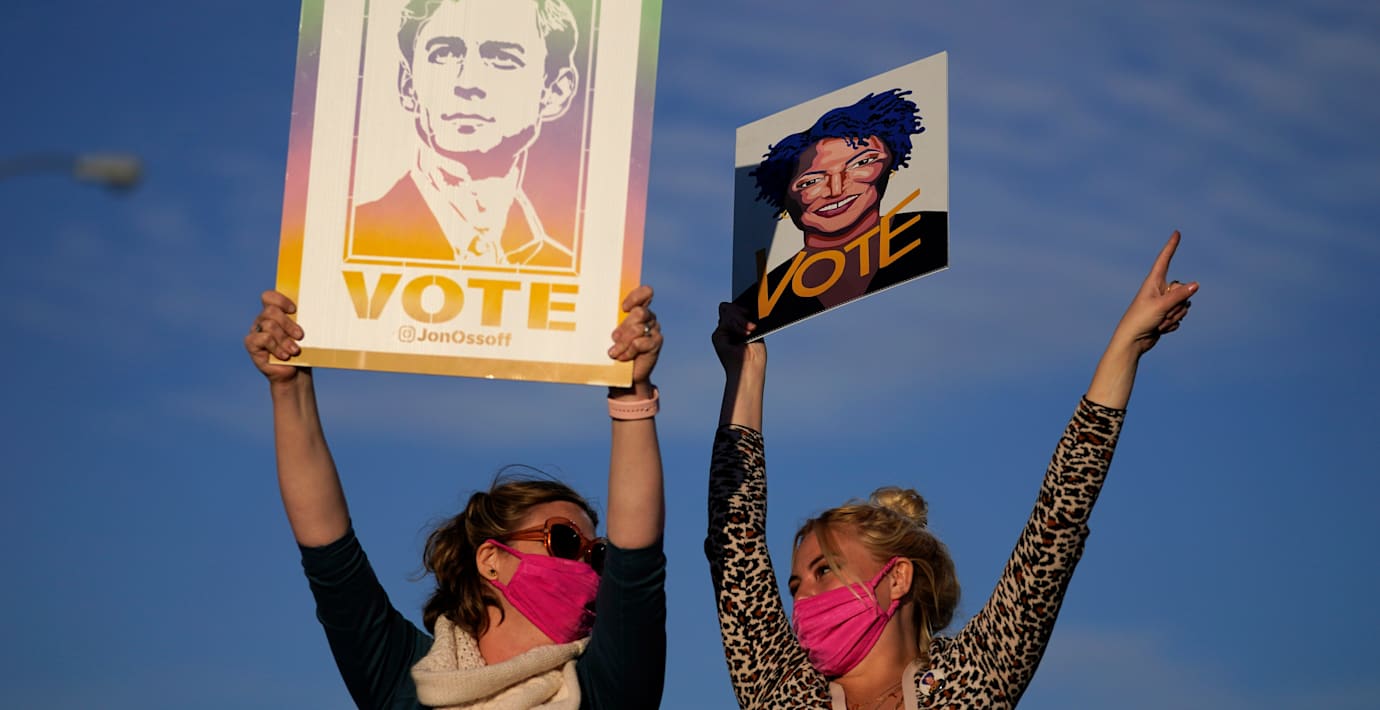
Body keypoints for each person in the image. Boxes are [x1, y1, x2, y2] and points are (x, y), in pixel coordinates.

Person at [709, 233, 1198, 709]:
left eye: (824, 571)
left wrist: (1125, 345)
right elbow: (735, 544)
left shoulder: (973, 679)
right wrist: (745, 372)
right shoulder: (780, 691)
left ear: (896, 579)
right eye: (796, 586)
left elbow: (1056, 525)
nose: (805, 599)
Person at [245, 285, 667, 709]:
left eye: (598, 556)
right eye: (565, 541)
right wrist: (288, 387)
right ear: (491, 559)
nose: (585, 566)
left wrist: (631, 389)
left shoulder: (605, 688)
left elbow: (637, 563)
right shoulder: (406, 680)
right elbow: (330, 556)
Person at [350, 0, 581, 270]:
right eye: (444, 54)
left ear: (555, 92)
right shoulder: (349, 242)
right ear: (407, 84)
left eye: (502, 59)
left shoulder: (570, 270)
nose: (467, 82)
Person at [735, 89, 948, 336]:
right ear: (784, 197)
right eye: (810, 181)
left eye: (861, 163)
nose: (836, 189)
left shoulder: (932, 234)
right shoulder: (757, 305)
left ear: (891, 162)